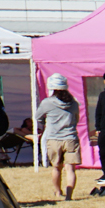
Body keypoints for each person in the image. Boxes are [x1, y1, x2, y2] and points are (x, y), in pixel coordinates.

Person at [35, 73, 82, 201]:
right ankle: (69, 195)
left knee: (56, 167)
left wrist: (47, 123)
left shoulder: (47, 103)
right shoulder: (73, 103)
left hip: (53, 139)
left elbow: (37, 117)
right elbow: (76, 119)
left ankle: (57, 192)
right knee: (70, 169)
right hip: (71, 138)